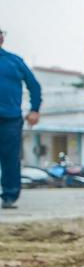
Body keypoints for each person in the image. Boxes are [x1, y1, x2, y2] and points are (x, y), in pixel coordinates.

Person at [0, 28, 42, 210]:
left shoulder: (14, 61)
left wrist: (34, 109)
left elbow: (34, 86)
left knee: (10, 159)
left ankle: (9, 195)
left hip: (10, 119)